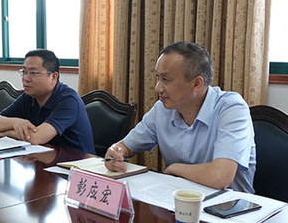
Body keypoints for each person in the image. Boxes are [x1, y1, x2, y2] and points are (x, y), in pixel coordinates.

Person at [105, 41, 256, 192]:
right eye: (157, 78)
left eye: (166, 79)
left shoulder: (232, 108)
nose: (157, 88)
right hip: (177, 199)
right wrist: (115, 152)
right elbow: (126, 146)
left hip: (229, 204)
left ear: (196, 84)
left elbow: (220, 177)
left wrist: (175, 168)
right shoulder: (162, 109)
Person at [0, 49, 95, 154]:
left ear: (53, 77)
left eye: (33, 73)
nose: (26, 78)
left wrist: (3, 134)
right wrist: (16, 123)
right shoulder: (29, 96)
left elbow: (36, 138)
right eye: (24, 72)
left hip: (77, 162)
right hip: (45, 158)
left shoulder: (69, 100)